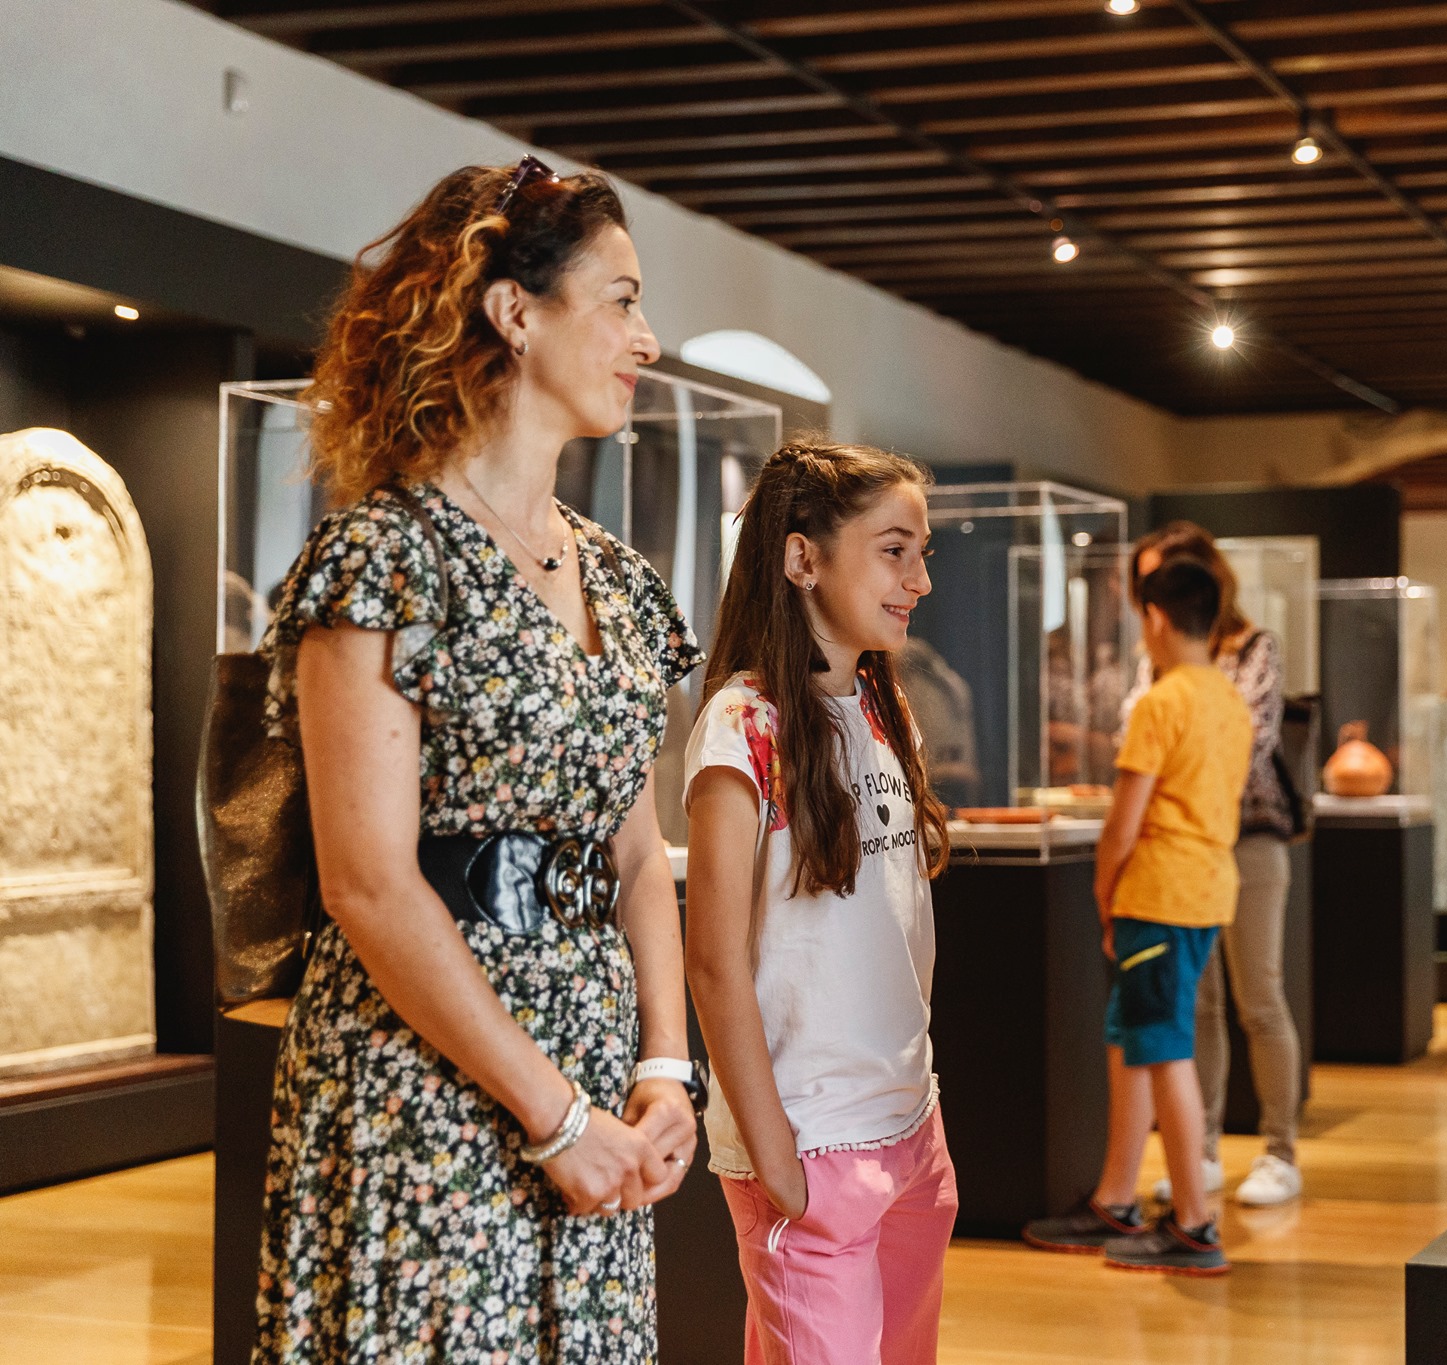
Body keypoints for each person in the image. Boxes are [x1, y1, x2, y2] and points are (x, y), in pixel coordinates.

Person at [251, 158, 704, 1363]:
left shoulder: (616, 576)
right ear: (516, 313)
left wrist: (665, 1071)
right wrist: (553, 1119)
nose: (645, 340)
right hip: (429, 1077)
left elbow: (635, 852)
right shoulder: (385, 562)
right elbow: (366, 883)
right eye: (619, 299)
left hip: (598, 1081)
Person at [683, 439, 958, 1365]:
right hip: (808, 1144)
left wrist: (921, 1123)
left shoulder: (889, 712)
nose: (919, 578)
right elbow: (714, 958)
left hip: (912, 1132)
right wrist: (778, 1165)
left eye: (923, 551)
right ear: (803, 558)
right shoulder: (740, 725)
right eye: (894, 549)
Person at [1023, 556, 1253, 1275]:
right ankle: (1114, 1199)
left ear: (1155, 618)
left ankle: (1193, 1222)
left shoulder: (1161, 701)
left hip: (1157, 893)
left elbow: (1123, 824)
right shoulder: (1228, 699)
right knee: (1134, 1039)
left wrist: (1104, 894)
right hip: (1206, 889)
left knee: (1163, 1047)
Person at [1131, 523, 1307, 1207]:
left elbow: (1250, 739)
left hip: (1249, 835)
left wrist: (1174, 764)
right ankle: (1197, 1147)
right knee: (1197, 1000)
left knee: (1258, 995)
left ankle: (1280, 1149)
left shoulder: (1253, 645)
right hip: (1182, 843)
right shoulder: (1158, 658)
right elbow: (1140, 729)